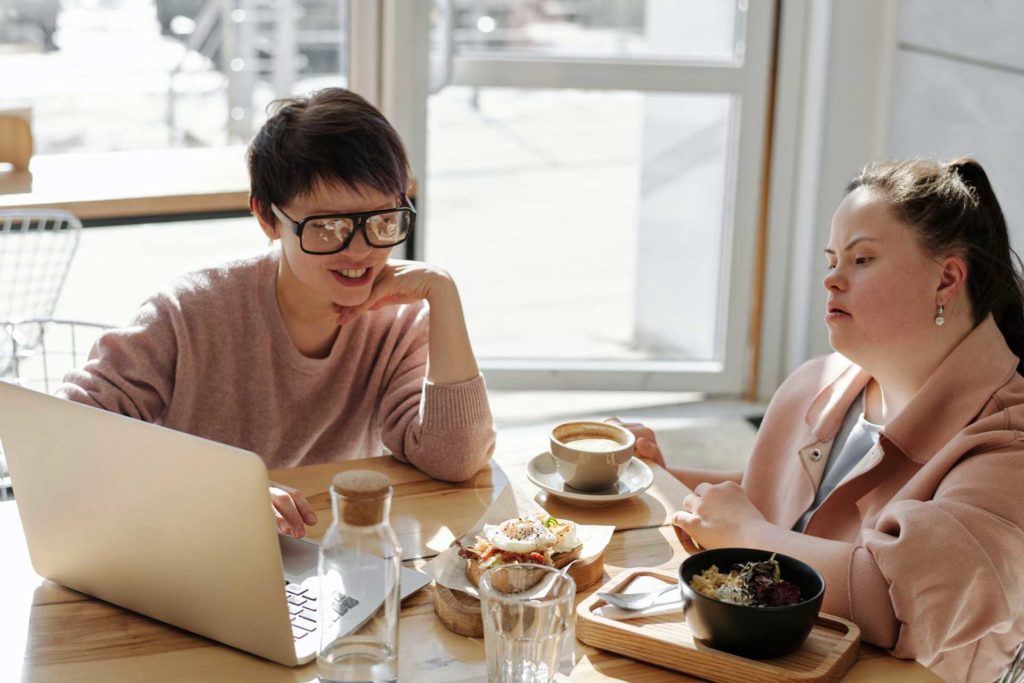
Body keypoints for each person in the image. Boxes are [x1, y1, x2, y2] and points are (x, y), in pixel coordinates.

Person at [612, 158, 1024, 681]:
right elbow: (773, 507)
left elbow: (893, 602)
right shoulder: (820, 381)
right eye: (832, 259)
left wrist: (747, 530)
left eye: (862, 259)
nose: (832, 278)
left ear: (946, 279)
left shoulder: (1009, 447)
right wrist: (662, 474)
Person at [58, 88, 496, 539]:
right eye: (328, 227)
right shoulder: (190, 311)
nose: (362, 250)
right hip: (195, 544)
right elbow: (67, 433)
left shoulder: (399, 321)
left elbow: (456, 460)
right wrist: (224, 492)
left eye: (383, 220)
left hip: (329, 555)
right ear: (268, 218)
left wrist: (443, 294)